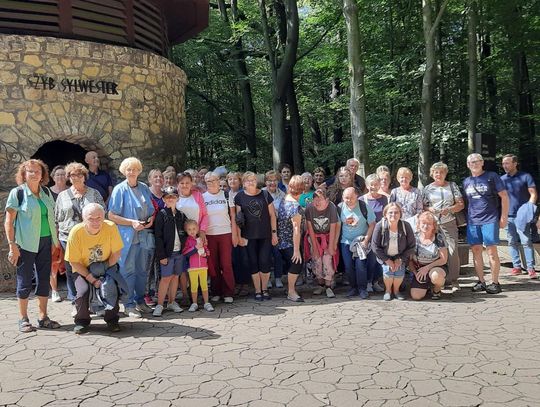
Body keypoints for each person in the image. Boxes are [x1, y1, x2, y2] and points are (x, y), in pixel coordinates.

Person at [4, 159, 61, 333]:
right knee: (24, 282)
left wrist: (54, 242)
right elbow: (9, 221)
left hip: (45, 242)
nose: (34, 174)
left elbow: (51, 219)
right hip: (25, 244)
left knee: (44, 279)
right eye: (30, 171)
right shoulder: (18, 193)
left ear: (43, 174)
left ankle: (43, 317)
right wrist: (12, 245)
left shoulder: (46, 192)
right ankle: (23, 319)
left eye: (38, 171)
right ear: (24, 174)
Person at [64, 203, 124, 334]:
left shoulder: (111, 227)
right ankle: (82, 321)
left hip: (106, 265)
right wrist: (91, 278)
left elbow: (116, 253)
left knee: (111, 287)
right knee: (82, 291)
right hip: (82, 269)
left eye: (99, 218)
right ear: (83, 218)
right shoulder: (76, 232)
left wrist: (104, 268)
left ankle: (112, 319)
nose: (96, 222)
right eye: (91, 218)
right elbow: (73, 261)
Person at [108, 157, 156, 318]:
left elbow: (152, 209)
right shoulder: (119, 189)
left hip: (143, 236)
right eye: (129, 169)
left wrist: (150, 221)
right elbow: (111, 215)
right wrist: (132, 223)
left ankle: (140, 302)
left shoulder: (144, 188)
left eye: (135, 169)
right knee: (127, 271)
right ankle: (128, 305)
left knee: (143, 271)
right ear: (124, 171)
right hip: (127, 238)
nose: (132, 172)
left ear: (139, 171)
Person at [55, 162, 105, 310]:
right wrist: (56, 241)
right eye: (72, 175)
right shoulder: (62, 196)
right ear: (68, 177)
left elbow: (103, 213)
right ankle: (76, 302)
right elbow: (57, 218)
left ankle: (94, 301)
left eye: (79, 174)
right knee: (72, 271)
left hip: (91, 237)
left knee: (93, 268)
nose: (76, 177)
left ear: (84, 176)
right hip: (68, 238)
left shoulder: (94, 193)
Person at [463, 153, 509, 294]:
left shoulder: (492, 176)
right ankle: (481, 281)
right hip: (473, 220)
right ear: (468, 165)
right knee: (476, 250)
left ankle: (495, 282)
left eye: (477, 161)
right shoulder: (466, 181)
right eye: (471, 162)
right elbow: (466, 202)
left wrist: (504, 217)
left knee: (491, 251)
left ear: (482, 162)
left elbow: (504, 196)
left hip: (490, 218)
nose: (474, 164)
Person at [234, 171, 278, 301]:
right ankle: (257, 290)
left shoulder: (265, 194)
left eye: (253, 179)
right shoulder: (239, 197)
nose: (251, 182)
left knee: (265, 262)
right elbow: (238, 218)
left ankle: (264, 289)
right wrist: (239, 236)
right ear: (243, 183)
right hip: (248, 236)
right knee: (253, 263)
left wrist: (274, 233)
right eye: (247, 180)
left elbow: (272, 216)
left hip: (265, 235)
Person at [422, 162, 465, 291]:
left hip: (449, 222)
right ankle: (434, 279)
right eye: (436, 172)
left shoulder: (452, 186)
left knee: (452, 250)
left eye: (441, 172)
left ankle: (453, 280)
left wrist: (450, 209)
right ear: (432, 174)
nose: (438, 174)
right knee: (431, 250)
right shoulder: (427, 188)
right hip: (432, 224)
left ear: (445, 173)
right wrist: (430, 208)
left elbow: (461, 204)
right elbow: (423, 206)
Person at [501, 154, 537, 279]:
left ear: (515, 163)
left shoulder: (525, 176)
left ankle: (530, 268)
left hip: (522, 216)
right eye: (503, 163)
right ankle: (516, 266)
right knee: (512, 241)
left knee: (526, 241)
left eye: (507, 163)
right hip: (508, 215)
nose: (504, 165)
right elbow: (499, 198)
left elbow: (533, 194)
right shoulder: (502, 179)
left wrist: (529, 210)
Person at [175, 171, 209, 304]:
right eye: (182, 183)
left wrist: (203, 231)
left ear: (192, 183)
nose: (184, 185)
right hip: (181, 237)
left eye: (187, 183)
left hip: (196, 235)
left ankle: (200, 293)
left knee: (198, 263)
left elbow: (205, 215)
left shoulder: (198, 196)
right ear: (177, 184)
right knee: (183, 267)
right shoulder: (174, 197)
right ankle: (185, 295)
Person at [153, 186, 186, 316]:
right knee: (166, 278)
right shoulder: (161, 215)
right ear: (164, 199)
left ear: (177, 198)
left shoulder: (181, 215)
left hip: (179, 252)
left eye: (173, 196)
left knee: (175, 276)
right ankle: (160, 304)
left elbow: (186, 231)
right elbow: (158, 236)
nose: (170, 199)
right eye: (168, 197)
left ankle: (172, 302)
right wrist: (161, 255)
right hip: (167, 253)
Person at [203, 171, 236, 303]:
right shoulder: (202, 197)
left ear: (219, 181)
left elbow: (233, 216)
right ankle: (215, 291)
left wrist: (235, 234)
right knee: (214, 265)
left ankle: (228, 292)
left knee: (226, 264)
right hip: (209, 234)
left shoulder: (227, 195)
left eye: (214, 180)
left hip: (226, 233)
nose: (211, 183)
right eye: (208, 181)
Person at [372, 203, 416, 301]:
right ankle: (388, 291)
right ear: (385, 214)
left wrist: (400, 259)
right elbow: (375, 246)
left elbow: (412, 246)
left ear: (400, 214)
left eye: (396, 212)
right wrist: (387, 260)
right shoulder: (380, 226)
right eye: (390, 212)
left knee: (399, 272)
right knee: (388, 271)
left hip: (400, 255)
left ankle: (396, 291)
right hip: (385, 255)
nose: (393, 215)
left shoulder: (406, 226)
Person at [338, 187, 376, 299]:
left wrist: (366, 239)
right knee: (348, 266)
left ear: (356, 196)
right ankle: (352, 288)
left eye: (351, 198)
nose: (348, 200)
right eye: (346, 198)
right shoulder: (340, 207)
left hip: (360, 241)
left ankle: (362, 289)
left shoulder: (364, 207)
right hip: (346, 241)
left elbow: (372, 224)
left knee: (360, 265)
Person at [276, 175, 306, 302]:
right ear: (302, 189)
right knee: (296, 263)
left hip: (281, 239)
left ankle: (290, 288)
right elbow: (296, 230)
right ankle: (291, 292)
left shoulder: (284, 199)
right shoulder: (295, 206)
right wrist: (296, 250)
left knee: (292, 264)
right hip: (289, 241)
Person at [305, 188, 340, 297]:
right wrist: (315, 248)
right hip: (315, 237)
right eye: (315, 199)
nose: (317, 202)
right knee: (317, 261)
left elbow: (334, 227)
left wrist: (332, 246)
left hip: (328, 236)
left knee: (328, 259)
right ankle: (320, 285)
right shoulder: (310, 208)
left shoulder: (332, 207)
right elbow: (310, 228)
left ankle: (329, 285)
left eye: (320, 199)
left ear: (327, 200)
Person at [409, 212, 448, 300]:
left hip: (436, 267)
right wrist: (415, 274)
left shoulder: (439, 238)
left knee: (436, 276)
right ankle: (426, 287)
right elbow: (410, 261)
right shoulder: (414, 238)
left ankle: (436, 290)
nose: (426, 226)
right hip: (419, 268)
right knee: (416, 296)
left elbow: (443, 259)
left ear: (434, 226)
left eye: (429, 224)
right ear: (419, 224)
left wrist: (426, 268)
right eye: (423, 223)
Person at [361, 174, 388, 293]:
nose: (373, 186)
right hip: (368, 233)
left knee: (380, 259)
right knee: (371, 259)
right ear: (367, 185)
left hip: (381, 233)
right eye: (371, 184)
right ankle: (368, 282)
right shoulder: (362, 200)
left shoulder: (384, 199)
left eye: (376, 184)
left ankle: (376, 281)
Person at [144, 169, 166, 307]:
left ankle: (160, 292)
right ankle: (146, 293)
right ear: (150, 180)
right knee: (148, 266)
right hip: (149, 234)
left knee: (162, 266)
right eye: (155, 177)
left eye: (160, 176)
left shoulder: (166, 195)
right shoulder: (146, 195)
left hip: (164, 236)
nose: (158, 178)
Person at [183, 220, 214, 312]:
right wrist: (194, 248)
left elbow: (207, 250)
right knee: (194, 285)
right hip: (192, 268)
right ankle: (194, 303)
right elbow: (185, 253)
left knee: (204, 284)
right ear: (186, 231)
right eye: (189, 229)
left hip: (203, 266)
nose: (192, 231)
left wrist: (205, 253)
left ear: (197, 229)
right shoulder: (187, 241)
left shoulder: (201, 238)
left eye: (194, 229)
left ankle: (207, 302)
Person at [263, 170, 286, 288]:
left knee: (277, 254)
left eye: (275, 180)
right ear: (265, 182)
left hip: (278, 227)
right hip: (263, 228)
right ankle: (266, 279)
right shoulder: (261, 193)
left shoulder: (282, 194)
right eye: (269, 180)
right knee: (265, 255)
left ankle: (278, 278)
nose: (272, 183)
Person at [227, 171, 250, 295]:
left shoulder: (243, 194)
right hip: (229, 230)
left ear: (240, 181)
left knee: (244, 258)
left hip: (244, 230)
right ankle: (237, 283)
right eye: (230, 179)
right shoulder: (225, 195)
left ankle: (245, 284)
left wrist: (239, 234)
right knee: (234, 259)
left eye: (235, 179)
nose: (232, 181)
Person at [49, 165, 68, 302]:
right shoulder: (47, 192)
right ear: (53, 177)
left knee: (70, 260)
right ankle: (55, 291)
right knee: (54, 262)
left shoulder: (71, 191)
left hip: (68, 231)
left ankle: (73, 290)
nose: (60, 177)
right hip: (53, 231)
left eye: (63, 174)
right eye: (58, 175)